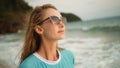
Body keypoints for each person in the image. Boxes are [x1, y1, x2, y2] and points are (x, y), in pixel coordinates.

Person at [19, 4, 74, 68]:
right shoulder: (28, 66)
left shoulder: (69, 56)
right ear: (39, 29)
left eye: (61, 20)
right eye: (54, 19)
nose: (62, 24)